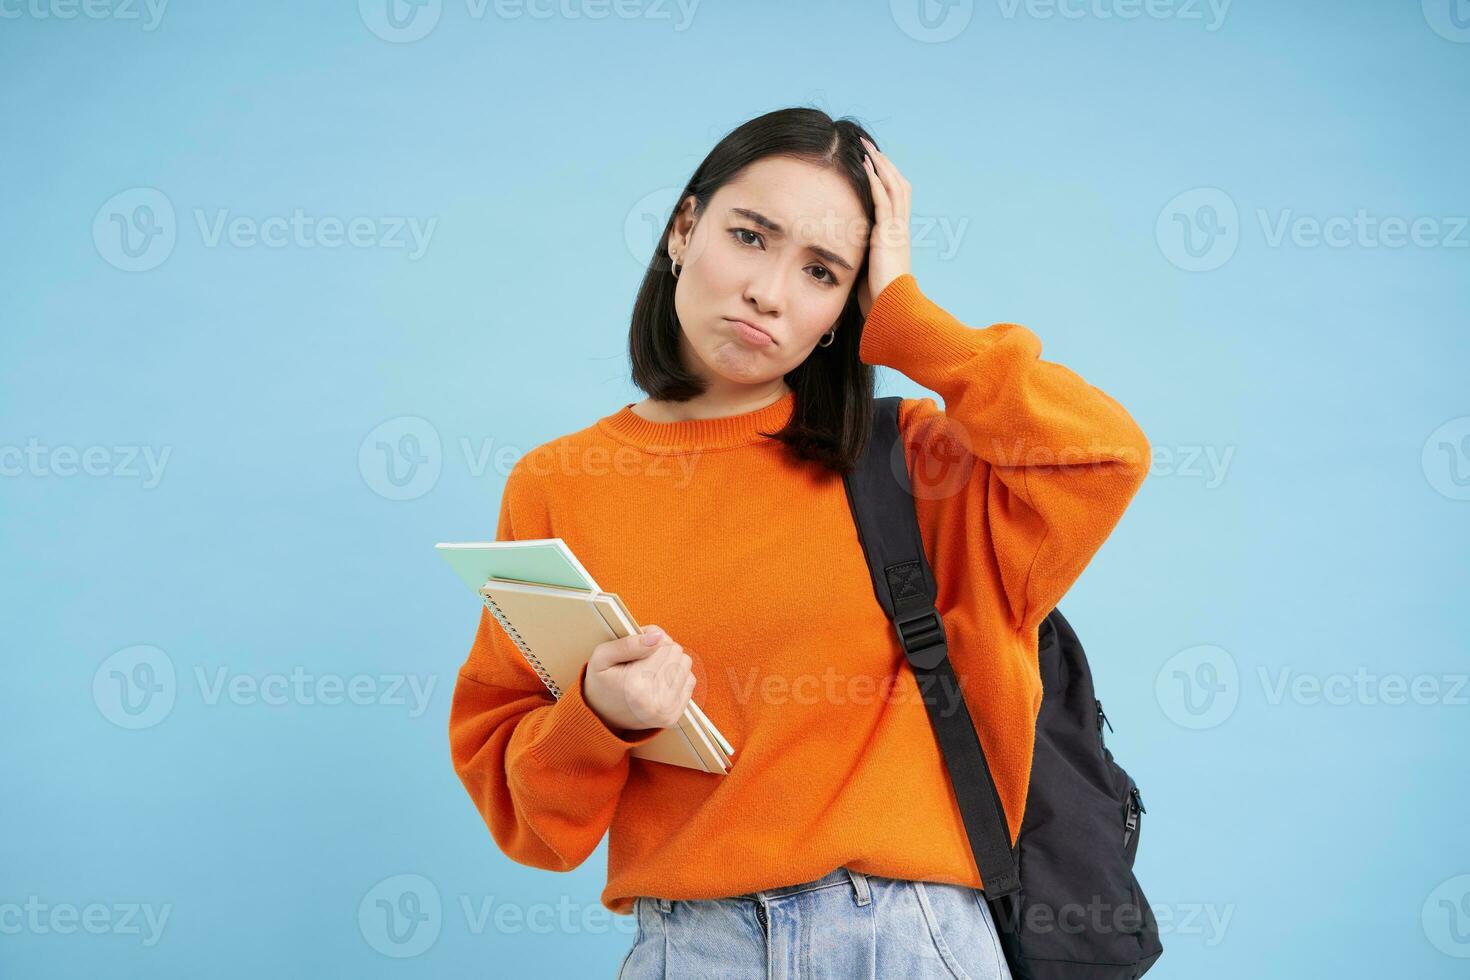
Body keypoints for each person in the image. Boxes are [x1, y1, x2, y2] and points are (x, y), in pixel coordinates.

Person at [448, 106, 1151, 979]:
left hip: (906, 940)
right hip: (691, 946)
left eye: (822, 271)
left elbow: (1104, 457)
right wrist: (597, 718)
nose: (770, 291)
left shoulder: (915, 466)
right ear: (682, 228)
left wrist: (906, 312)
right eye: (750, 237)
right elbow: (530, 822)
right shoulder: (559, 482)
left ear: (841, 312)